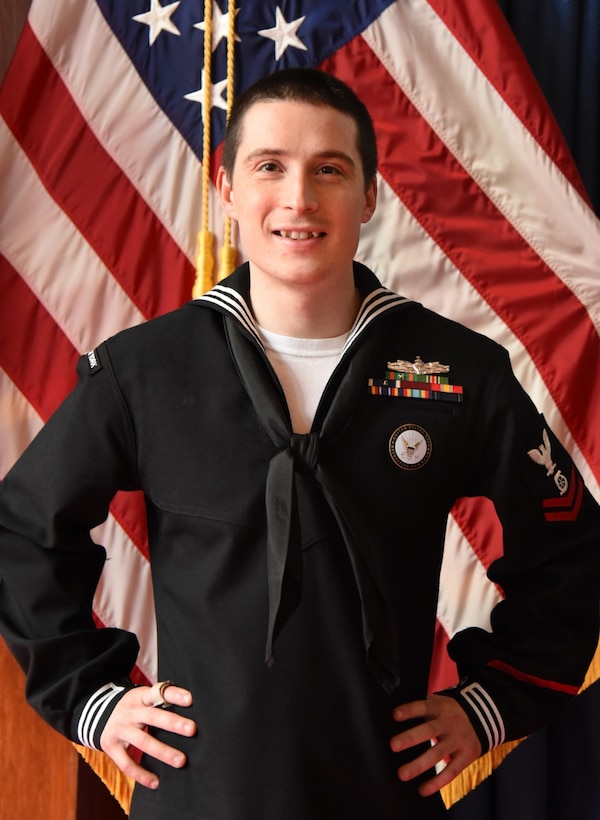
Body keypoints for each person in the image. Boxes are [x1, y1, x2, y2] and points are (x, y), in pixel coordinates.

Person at [0, 67, 598, 820]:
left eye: (330, 170)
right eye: (270, 167)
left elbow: (572, 548)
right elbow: (22, 528)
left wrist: (492, 704)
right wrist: (88, 693)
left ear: (370, 195)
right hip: (197, 794)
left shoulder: (456, 372)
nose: (299, 199)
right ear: (227, 191)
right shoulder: (146, 371)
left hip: (383, 793)